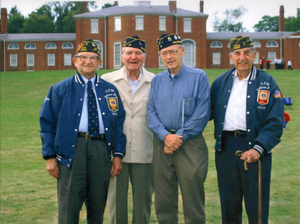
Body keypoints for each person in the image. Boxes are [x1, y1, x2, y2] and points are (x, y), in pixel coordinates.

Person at [39, 39, 126, 224]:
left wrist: (118, 155)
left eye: (93, 58)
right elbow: (47, 123)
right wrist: (49, 157)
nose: (88, 61)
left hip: (101, 151)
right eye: (83, 57)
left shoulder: (110, 90)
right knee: (69, 209)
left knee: (97, 207)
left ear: (99, 62)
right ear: (75, 60)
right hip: (72, 151)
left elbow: (118, 124)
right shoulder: (59, 89)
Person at [210, 35, 284, 224]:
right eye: (237, 53)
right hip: (226, 148)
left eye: (246, 53)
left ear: (254, 55)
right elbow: (204, 112)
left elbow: (275, 122)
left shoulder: (267, 82)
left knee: (256, 207)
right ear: (231, 57)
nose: (242, 57)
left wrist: (258, 148)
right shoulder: (220, 82)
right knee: (229, 206)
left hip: (255, 148)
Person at [147, 33, 210, 224]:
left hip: (189, 144)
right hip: (162, 145)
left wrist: (177, 138)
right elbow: (151, 112)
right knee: (164, 200)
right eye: (164, 53)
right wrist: (165, 136)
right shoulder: (157, 81)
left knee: (193, 200)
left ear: (182, 51)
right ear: (160, 55)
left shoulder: (199, 77)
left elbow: (201, 114)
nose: (169, 57)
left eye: (173, 51)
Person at [102, 35, 155, 224]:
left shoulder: (155, 82)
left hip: (145, 152)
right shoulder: (107, 81)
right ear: (122, 56)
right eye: (129, 53)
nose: (133, 57)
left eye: (138, 53)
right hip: (116, 154)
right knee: (116, 204)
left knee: (143, 204)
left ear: (144, 57)